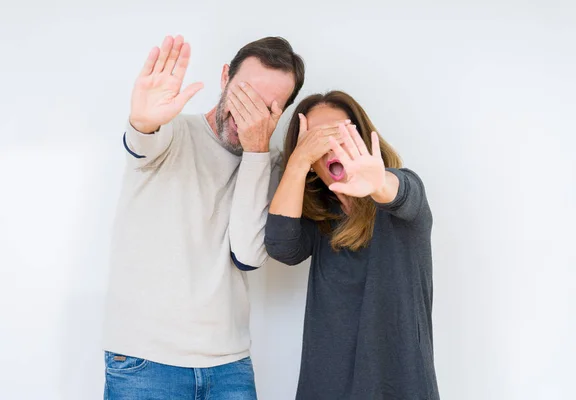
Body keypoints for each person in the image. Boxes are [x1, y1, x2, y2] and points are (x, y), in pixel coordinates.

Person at [102, 35, 304, 399]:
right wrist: (142, 121)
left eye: (269, 107)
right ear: (225, 77)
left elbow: (247, 254)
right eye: (245, 95)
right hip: (145, 361)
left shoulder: (269, 166)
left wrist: (256, 153)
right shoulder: (174, 132)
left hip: (230, 365)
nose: (250, 114)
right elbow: (144, 140)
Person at [265, 91, 440, 399]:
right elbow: (281, 247)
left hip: (399, 385)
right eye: (316, 142)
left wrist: (378, 182)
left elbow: (403, 194)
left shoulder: (400, 196)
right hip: (326, 386)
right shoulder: (319, 218)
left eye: (342, 134)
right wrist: (297, 163)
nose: (332, 146)